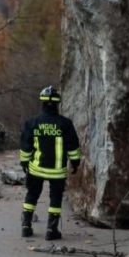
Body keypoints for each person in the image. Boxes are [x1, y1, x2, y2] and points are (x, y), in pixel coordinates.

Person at [19, 86, 81, 240]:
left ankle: (26, 226)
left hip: (36, 168)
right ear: (57, 104)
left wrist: (24, 163)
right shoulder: (65, 124)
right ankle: (51, 230)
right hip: (57, 171)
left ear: (42, 103)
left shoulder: (32, 122)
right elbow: (73, 146)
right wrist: (75, 162)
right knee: (55, 198)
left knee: (32, 195)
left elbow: (26, 146)